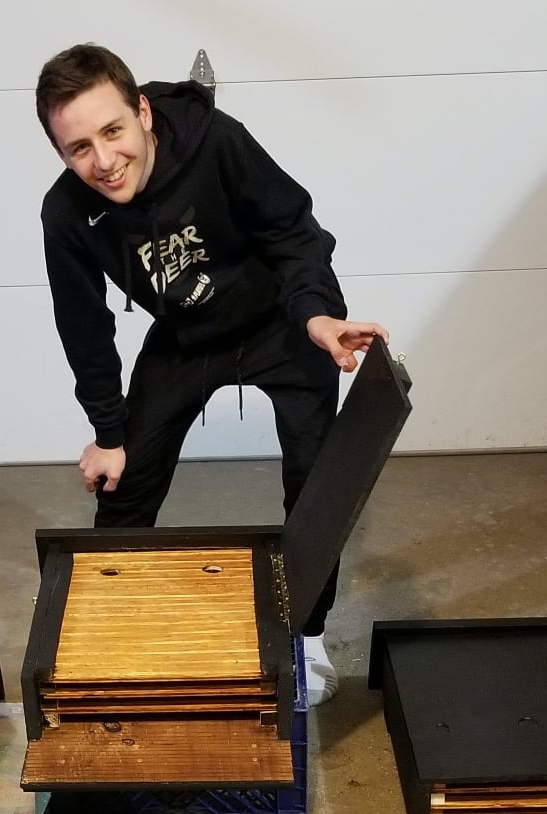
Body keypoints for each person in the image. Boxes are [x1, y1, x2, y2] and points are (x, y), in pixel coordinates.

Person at [35, 44, 388, 705]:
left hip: (281, 322)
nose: (104, 161)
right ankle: (108, 631)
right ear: (60, 153)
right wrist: (108, 433)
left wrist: (316, 314)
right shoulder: (67, 215)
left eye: (113, 131)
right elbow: (84, 327)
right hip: (186, 338)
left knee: (316, 483)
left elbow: (293, 232)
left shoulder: (216, 142)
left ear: (143, 112)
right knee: (124, 482)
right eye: (79, 148)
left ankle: (306, 635)